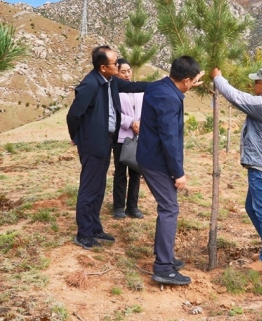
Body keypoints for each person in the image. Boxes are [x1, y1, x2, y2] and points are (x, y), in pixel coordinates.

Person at [210, 66, 262, 275]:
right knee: (252, 207)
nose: (253, 84)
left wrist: (219, 79)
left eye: (256, 82)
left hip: (261, 166)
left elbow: (237, 97)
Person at [66, 46, 148, 250]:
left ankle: (94, 227)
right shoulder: (90, 84)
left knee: (99, 187)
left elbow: (133, 86)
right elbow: (73, 115)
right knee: (89, 188)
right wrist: (78, 138)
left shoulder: (110, 81)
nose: (118, 66)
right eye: (115, 64)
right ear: (103, 67)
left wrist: (166, 84)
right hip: (92, 145)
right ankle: (83, 233)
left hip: (105, 142)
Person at [136, 56, 203, 285]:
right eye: (192, 80)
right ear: (186, 79)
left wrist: (190, 83)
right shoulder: (168, 98)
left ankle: (165, 257)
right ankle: (163, 267)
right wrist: (178, 173)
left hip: (149, 155)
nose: (193, 84)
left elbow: (180, 86)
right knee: (169, 209)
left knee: (168, 207)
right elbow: (169, 138)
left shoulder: (160, 86)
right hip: (157, 161)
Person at [112, 59, 144, 220]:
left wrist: (140, 123)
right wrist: (130, 123)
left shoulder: (138, 90)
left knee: (136, 172)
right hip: (121, 137)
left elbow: (146, 110)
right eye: (122, 71)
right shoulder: (114, 90)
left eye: (128, 71)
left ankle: (133, 206)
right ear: (116, 73)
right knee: (120, 172)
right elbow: (114, 113)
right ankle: (118, 207)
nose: (126, 74)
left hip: (138, 137)